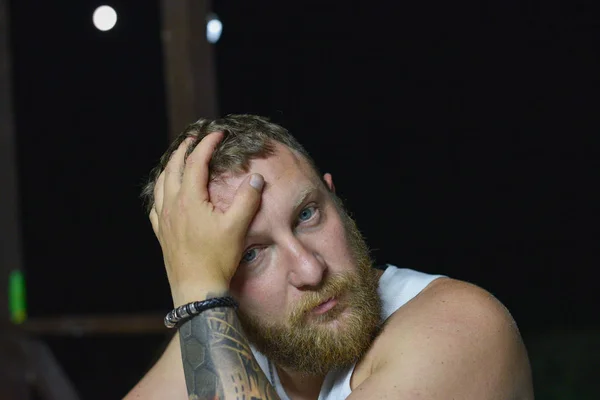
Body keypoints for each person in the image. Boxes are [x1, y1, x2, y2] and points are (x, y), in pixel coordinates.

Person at [124, 114, 534, 400]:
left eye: (306, 214)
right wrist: (200, 292)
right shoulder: (231, 333)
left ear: (334, 197)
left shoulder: (460, 328)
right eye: (251, 254)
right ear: (215, 272)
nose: (310, 268)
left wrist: (199, 295)